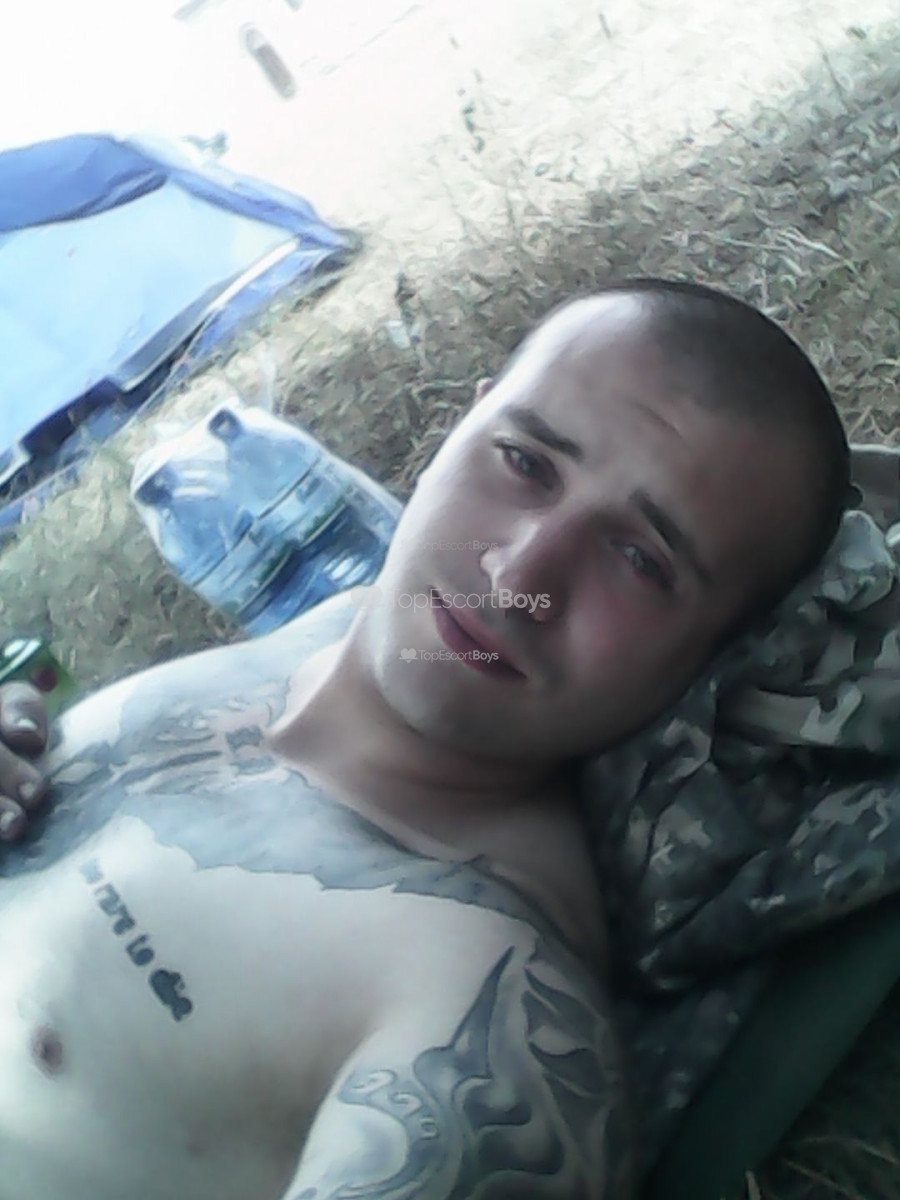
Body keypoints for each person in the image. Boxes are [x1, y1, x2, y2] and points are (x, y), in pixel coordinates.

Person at [0, 280, 850, 1200]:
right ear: (464, 424)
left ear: (714, 658)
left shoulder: (484, 1034)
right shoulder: (335, 629)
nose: (517, 575)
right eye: (525, 462)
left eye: (641, 559)